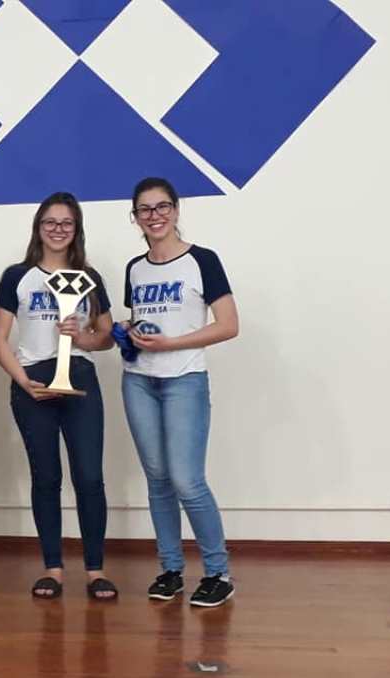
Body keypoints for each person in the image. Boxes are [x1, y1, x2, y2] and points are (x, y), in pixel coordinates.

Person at [0, 192, 117, 601]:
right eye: (50, 222)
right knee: (46, 477)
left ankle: (95, 570)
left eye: (66, 223)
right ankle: (53, 569)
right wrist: (22, 380)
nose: (58, 229)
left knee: (89, 477)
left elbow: (107, 337)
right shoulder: (17, 276)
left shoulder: (90, 277)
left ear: (76, 229)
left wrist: (83, 337)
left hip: (79, 379)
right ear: (38, 227)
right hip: (33, 382)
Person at [122, 177, 239, 607]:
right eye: (145, 209)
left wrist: (171, 344)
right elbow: (142, 320)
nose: (154, 216)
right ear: (135, 217)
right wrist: (127, 332)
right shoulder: (135, 268)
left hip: (184, 379)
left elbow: (228, 325)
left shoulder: (202, 260)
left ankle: (218, 573)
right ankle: (170, 569)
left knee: (187, 480)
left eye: (161, 207)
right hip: (138, 380)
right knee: (157, 480)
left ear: (175, 209)